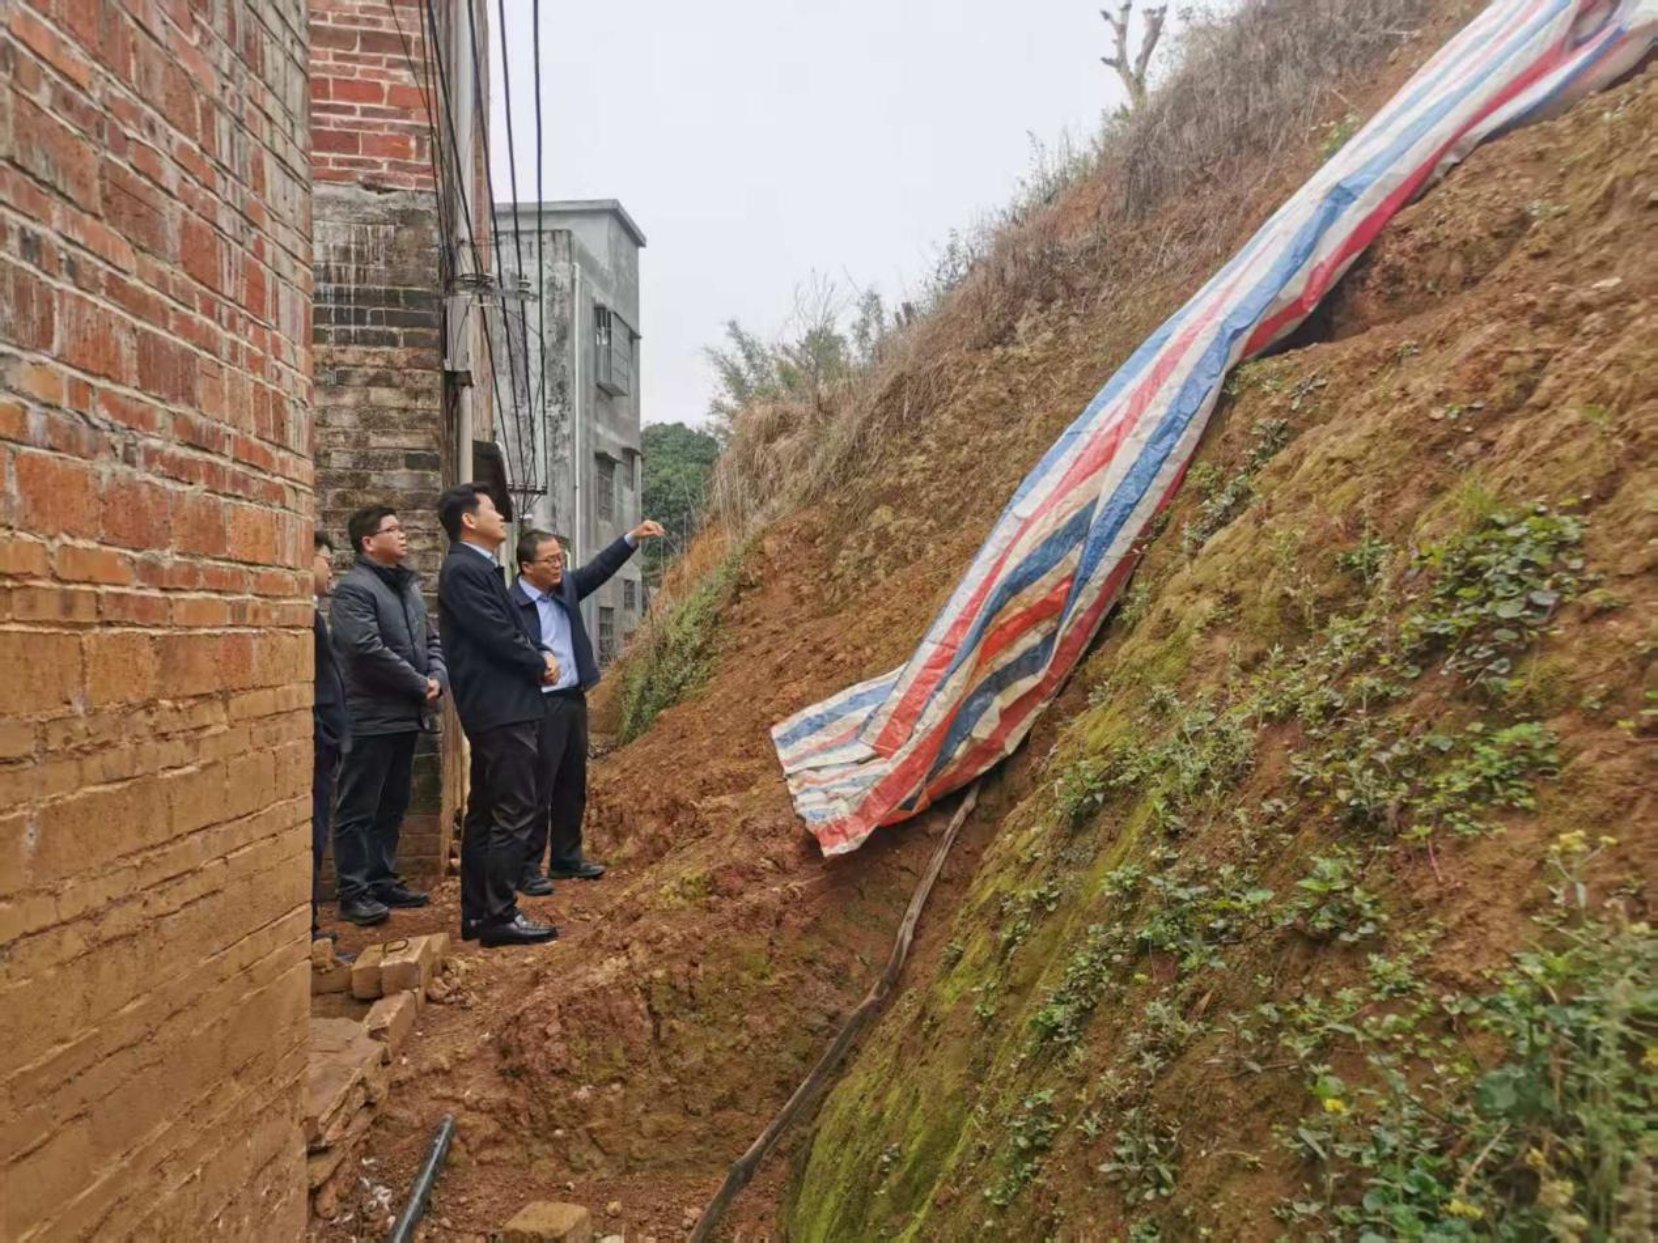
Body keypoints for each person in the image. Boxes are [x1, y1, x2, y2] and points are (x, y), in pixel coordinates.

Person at [436, 483, 560, 948]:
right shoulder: (464, 570)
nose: (501, 516)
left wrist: (538, 653)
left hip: (500, 704)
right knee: (514, 809)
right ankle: (500, 914)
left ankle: (478, 913)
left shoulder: (479, 566)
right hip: (501, 706)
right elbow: (496, 634)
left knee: (488, 812)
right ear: (469, 520)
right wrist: (537, 661)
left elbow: (508, 628)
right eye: (492, 509)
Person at [510, 521, 662, 894]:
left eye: (560, 558)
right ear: (526, 567)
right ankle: (527, 868)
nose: (558, 565)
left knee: (572, 782)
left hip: (572, 699)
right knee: (538, 787)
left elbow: (599, 569)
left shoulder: (565, 588)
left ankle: (566, 858)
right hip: (538, 704)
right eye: (549, 560)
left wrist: (631, 539)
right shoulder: (511, 605)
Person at [329, 504, 448, 926]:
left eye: (401, 527)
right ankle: (353, 892)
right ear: (368, 542)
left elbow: (432, 641)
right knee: (358, 807)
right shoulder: (353, 590)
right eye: (392, 529)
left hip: (405, 715)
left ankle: (381, 880)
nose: (403, 534)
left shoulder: (407, 587)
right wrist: (419, 683)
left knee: (393, 803)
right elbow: (366, 651)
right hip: (369, 716)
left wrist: (437, 677)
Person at [311, 531, 350, 944]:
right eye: (326, 560)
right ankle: (306, 930)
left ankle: (310, 926)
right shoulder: (300, 617)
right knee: (311, 835)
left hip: (325, 741)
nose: (331, 570)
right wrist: (324, 731)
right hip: (316, 742)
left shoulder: (315, 614)